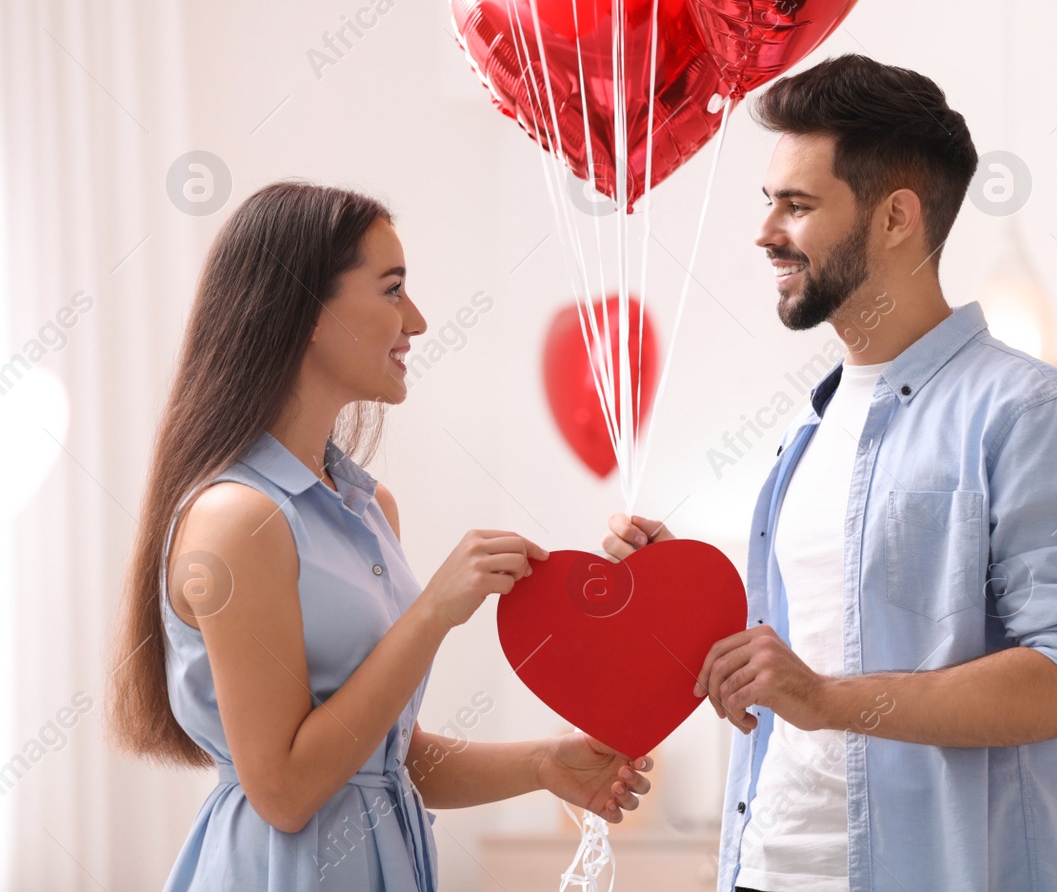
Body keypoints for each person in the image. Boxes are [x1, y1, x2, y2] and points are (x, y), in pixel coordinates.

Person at [603, 54, 1057, 892]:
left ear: (895, 218)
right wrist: (678, 590)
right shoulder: (806, 432)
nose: (765, 230)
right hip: (770, 869)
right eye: (769, 201)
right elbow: (806, 655)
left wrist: (827, 700)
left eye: (798, 204)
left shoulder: (1028, 412)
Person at [105, 182, 652, 892]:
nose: (418, 320)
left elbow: (385, 757)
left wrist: (545, 764)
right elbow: (286, 791)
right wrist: (432, 615)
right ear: (302, 310)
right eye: (392, 289)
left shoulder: (367, 507)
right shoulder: (237, 521)